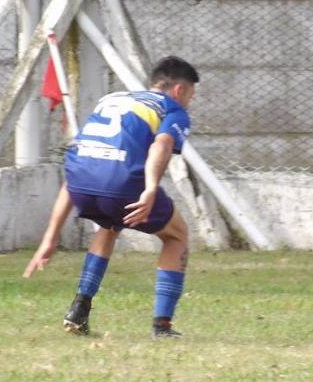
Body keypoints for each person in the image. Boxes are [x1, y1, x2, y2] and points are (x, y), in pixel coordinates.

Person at [22, 56, 199, 338]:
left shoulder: (112, 99)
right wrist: (151, 187)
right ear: (179, 90)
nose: (190, 101)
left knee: (109, 224)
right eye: (191, 94)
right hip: (120, 182)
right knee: (177, 235)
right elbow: (162, 145)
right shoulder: (173, 109)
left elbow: (83, 164)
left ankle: (79, 307)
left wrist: (50, 237)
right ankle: (162, 326)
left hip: (79, 180)